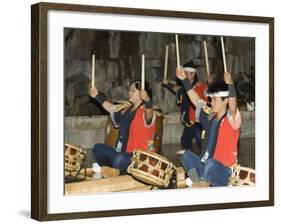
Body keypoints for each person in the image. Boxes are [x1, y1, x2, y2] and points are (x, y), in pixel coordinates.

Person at [176, 66, 241, 187]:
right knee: (186, 156)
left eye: (215, 99)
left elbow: (233, 106)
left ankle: (200, 184)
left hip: (224, 172)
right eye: (211, 99)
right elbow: (196, 101)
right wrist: (184, 79)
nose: (211, 102)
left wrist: (231, 85)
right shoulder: (209, 116)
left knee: (211, 164)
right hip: (206, 166)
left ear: (225, 100)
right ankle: (199, 182)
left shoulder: (231, 119)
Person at [89, 80, 156, 177]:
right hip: (120, 153)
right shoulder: (126, 109)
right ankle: (112, 171)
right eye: (130, 90)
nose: (130, 93)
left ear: (143, 93)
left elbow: (149, 115)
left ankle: (118, 171)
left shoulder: (145, 112)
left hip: (137, 157)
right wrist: (97, 96)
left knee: (120, 159)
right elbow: (112, 108)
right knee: (98, 149)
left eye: (133, 90)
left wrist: (148, 101)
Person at [163, 62, 211, 155]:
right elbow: (176, 89)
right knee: (185, 141)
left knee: (201, 141)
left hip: (197, 123)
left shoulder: (200, 86)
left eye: (186, 73)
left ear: (193, 74)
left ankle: (206, 156)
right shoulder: (183, 88)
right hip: (188, 123)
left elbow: (207, 93)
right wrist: (167, 83)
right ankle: (189, 157)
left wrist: (211, 83)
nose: (183, 74)